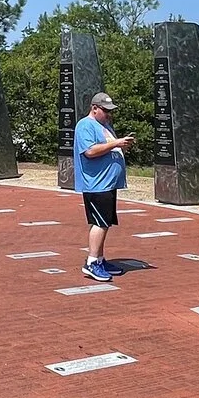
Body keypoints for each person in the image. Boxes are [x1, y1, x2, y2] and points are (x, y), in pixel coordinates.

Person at [73, 92, 135, 282]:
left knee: (104, 222)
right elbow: (90, 151)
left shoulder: (103, 125)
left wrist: (119, 146)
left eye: (110, 111)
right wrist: (116, 143)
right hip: (96, 184)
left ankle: (99, 258)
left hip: (107, 183)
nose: (109, 115)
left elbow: (105, 147)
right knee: (100, 223)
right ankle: (92, 262)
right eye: (106, 111)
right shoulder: (85, 125)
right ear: (94, 108)